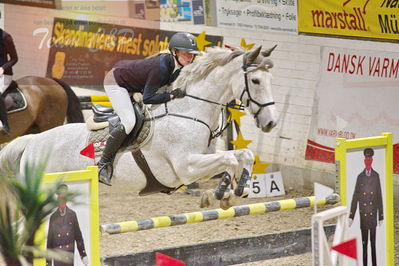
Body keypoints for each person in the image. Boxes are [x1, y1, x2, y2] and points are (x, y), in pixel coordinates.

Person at [98, 32, 200, 186]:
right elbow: (148, 98)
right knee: (129, 121)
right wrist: (171, 96)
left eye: (192, 54)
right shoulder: (162, 67)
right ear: (175, 52)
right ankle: (103, 165)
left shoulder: (177, 67)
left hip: (132, 83)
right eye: (186, 54)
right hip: (116, 82)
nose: (190, 57)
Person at [349, 148, 383, 266]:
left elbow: (379, 196)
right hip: (363, 216)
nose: (368, 161)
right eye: (366, 159)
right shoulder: (360, 177)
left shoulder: (376, 176)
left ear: (372, 160)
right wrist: (351, 216)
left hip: (373, 216)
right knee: (364, 245)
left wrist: (381, 216)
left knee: (373, 244)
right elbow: (355, 197)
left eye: (369, 159)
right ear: (364, 161)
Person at [46, 184, 88, 266]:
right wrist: (48, 263)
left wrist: (83, 255)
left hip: (69, 255)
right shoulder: (53, 217)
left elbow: (78, 237)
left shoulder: (72, 215)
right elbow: (49, 242)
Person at [0, 27, 18, 135]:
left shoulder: (5, 37)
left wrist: (3, 68)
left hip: (4, 75)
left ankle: (5, 125)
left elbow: (15, 58)